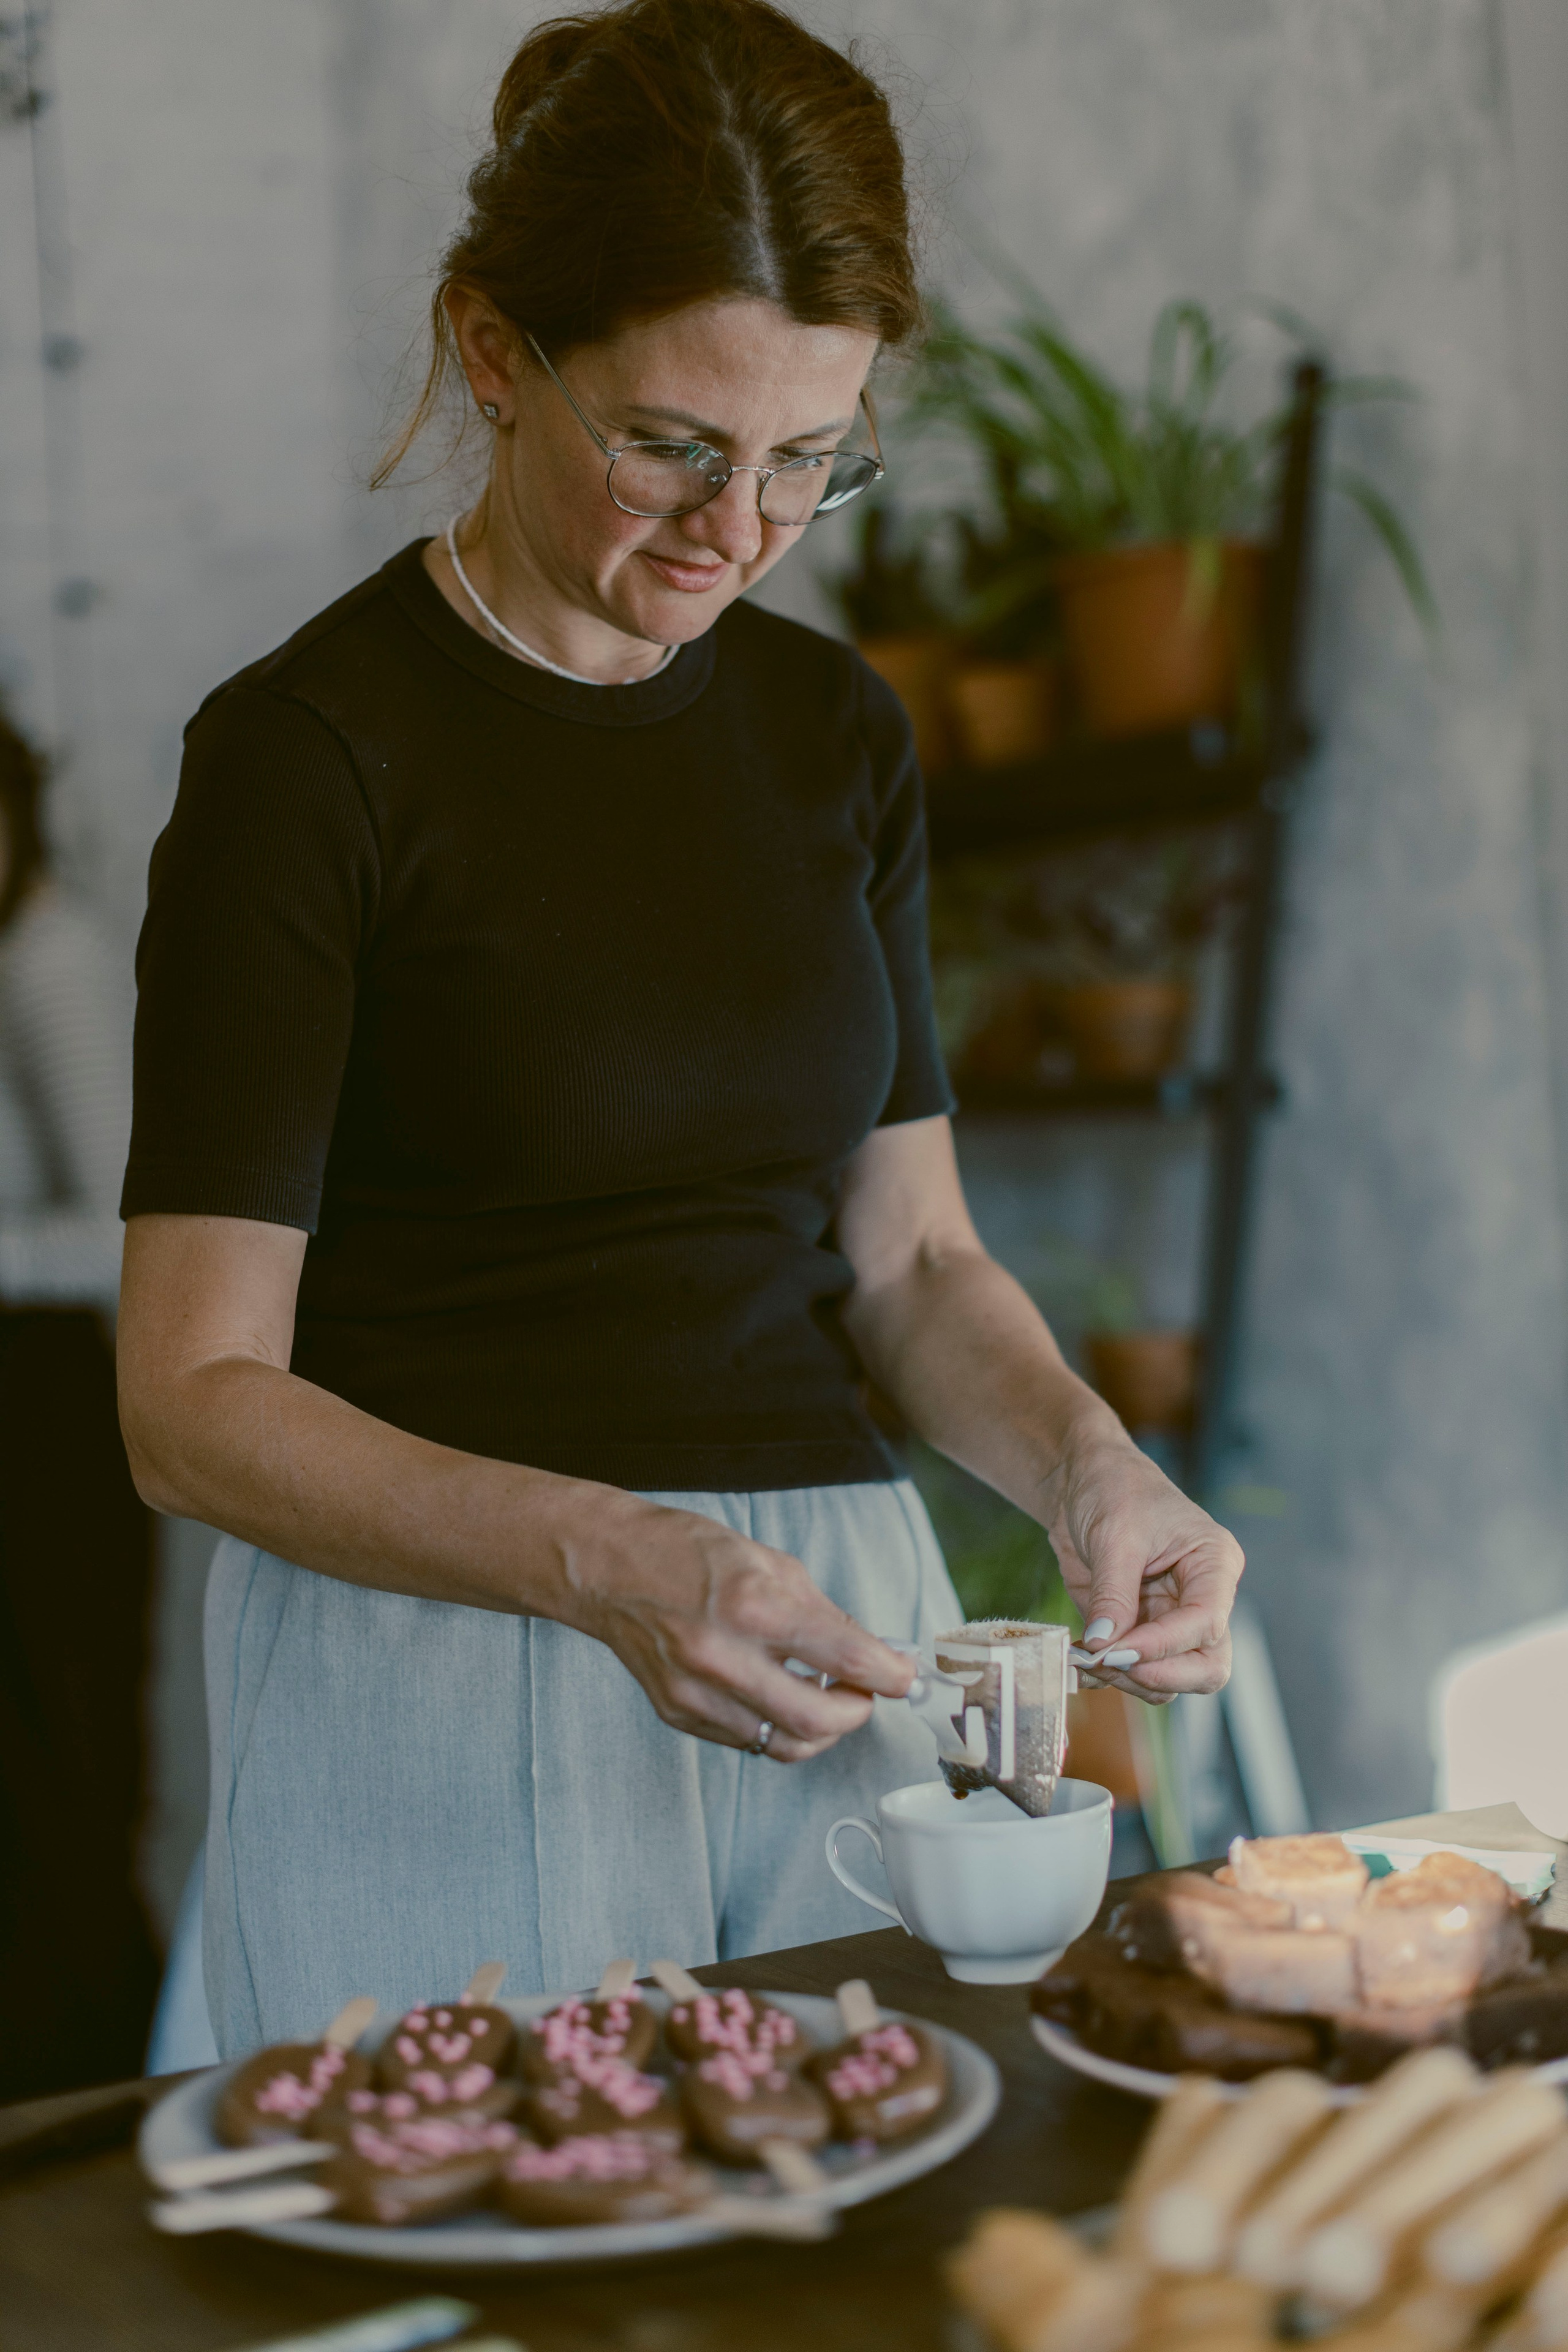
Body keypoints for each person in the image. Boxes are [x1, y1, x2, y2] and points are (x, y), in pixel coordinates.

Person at [117, 0, 1243, 2057]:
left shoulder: (834, 734)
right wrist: (607, 1556)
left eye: (811, 460)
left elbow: (908, 1259)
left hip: (829, 1653)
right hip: (443, 1648)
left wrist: (1095, 1475)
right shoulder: (307, 760)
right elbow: (189, 1397)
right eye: (672, 445)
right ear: (493, 353)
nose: (739, 532)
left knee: (876, 2244)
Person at [0, 700, 157, 2098]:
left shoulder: (46, 949)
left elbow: (132, 1229)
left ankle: (93, 2109)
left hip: (44, 1423)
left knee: (59, 1789)